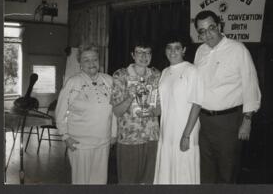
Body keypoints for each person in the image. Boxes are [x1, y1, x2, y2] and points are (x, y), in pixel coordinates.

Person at [193, 10, 261, 183]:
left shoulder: (238, 49)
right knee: (206, 174)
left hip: (229, 123)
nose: (207, 34)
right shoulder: (200, 51)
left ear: (220, 26)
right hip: (204, 122)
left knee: (227, 174)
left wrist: (247, 120)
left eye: (211, 28)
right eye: (202, 31)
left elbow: (250, 84)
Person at [55, 43, 116, 184]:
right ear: (80, 63)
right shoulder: (73, 82)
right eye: (86, 60)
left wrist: (113, 134)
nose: (91, 63)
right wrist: (65, 136)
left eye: (94, 59)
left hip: (103, 142)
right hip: (80, 143)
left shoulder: (109, 80)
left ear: (99, 61)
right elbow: (60, 112)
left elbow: (114, 111)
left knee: (100, 181)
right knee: (81, 182)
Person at [154, 34, 203, 184]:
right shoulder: (164, 72)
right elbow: (162, 105)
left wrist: (186, 135)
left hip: (185, 131)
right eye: (169, 48)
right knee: (167, 174)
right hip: (167, 132)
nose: (172, 52)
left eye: (177, 48)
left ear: (184, 50)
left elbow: (197, 104)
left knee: (184, 176)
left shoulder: (191, 70)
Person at [111, 41, 161, 184]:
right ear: (133, 55)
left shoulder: (157, 75)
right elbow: (117, 111)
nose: (144, 56)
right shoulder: (120, 75)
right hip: (129, 139)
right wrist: (130, 96)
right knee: (128, 183)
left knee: (149, 182)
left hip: (152, 138)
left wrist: (152, 112)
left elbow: (160, 108)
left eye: (148, 52)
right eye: (139, 52)